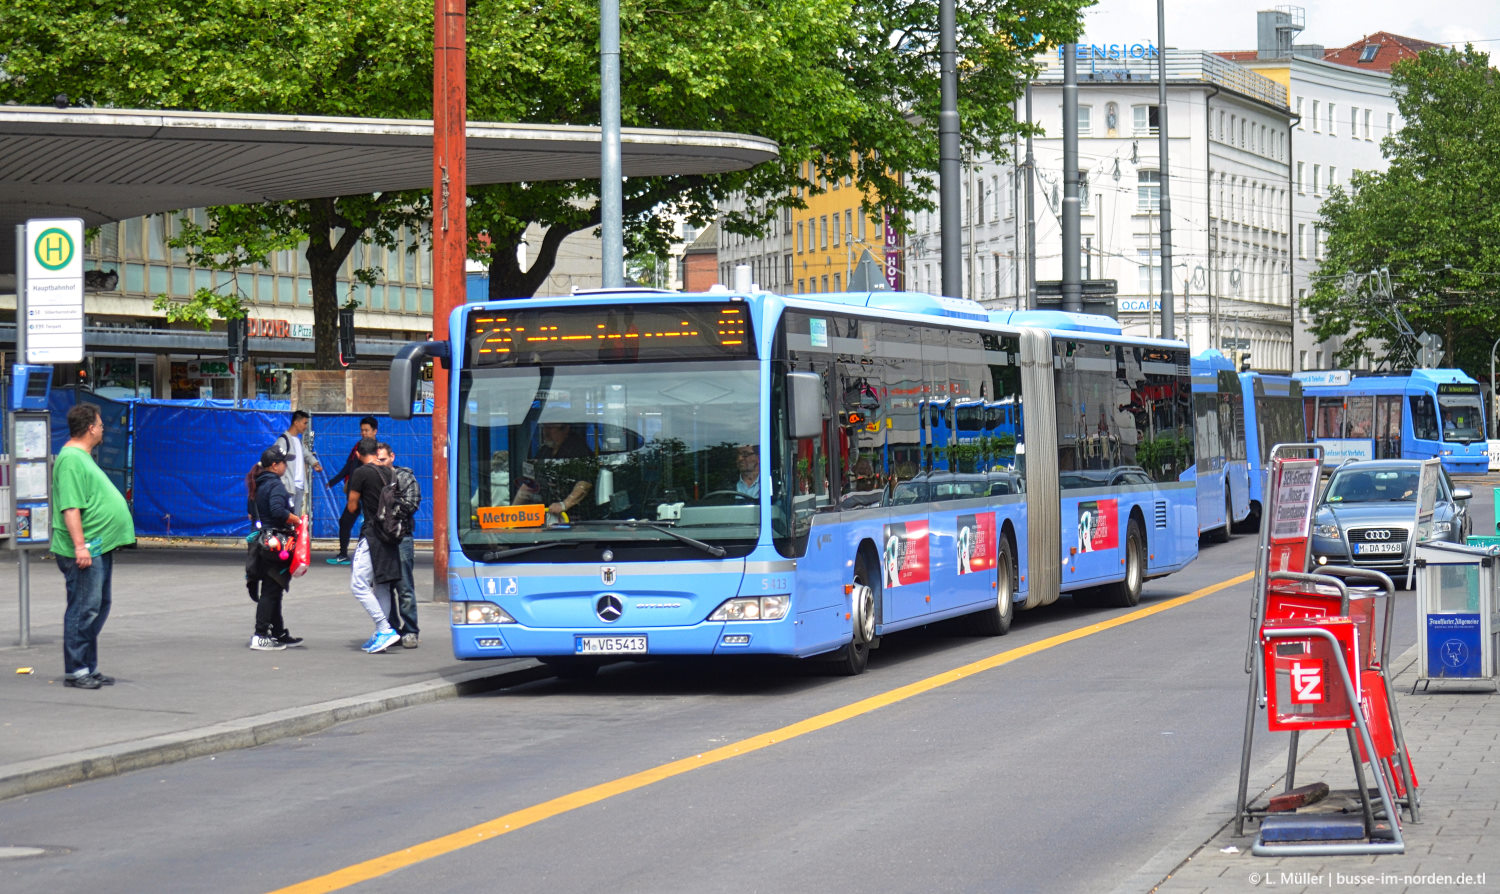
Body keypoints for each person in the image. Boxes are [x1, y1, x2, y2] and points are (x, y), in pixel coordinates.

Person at [51, 404, 135, 690]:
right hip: (86, 548)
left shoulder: (82, 457)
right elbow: (70, 507)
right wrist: (80, 547)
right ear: (90, 428)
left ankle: (88, 665)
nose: (102, 429)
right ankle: (76, 670)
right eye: (100, 425)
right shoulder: (72, 459)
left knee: (97, 606)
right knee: (84, 608)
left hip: (99, 544)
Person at [344, 437, 402, 653]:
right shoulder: (389, 472)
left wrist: (351, 493)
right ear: (377, 452)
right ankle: (382, 633)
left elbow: (351, 506)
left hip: (372, 533)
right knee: (382, 585)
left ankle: (384, 628)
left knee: (358, 584)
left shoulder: (360, 473)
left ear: (358, 455)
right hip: (390, 533)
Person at [247, 447, 304, 651]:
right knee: (271, 591)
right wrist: (297, 520)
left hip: (261, 543)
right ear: (274, 465)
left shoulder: (257, 485)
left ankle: (278, 632)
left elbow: (251, 514)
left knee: (274, 589)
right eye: (283, 462)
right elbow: (278, 511)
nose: (285, 466)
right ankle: (260, 635)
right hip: (276, 545)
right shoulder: (275, 486)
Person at [376, 442, 421, 648]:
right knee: (386, 587)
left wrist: (391, 508)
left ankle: (411, 630)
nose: (380, 464)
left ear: (392, 457)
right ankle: (392, 627)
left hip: (402, 537)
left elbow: (413, 503)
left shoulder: (404, 476)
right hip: (381, 539)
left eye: (383, 459)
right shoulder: (373, 478)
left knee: (404, 587)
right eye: (377, 460)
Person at [325, 415, 378, 564]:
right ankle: (343, 554)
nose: (364, 433)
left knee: (369, 525)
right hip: (355, 493)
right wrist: (334, 481)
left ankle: (369, 556)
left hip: (369, 495)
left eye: (367, 430)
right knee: (345, 522)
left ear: (375, 431)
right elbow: (349, 466)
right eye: (362, 430)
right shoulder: (357, 447)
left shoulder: (379, 450)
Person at [275, 409, 322, 516]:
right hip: (289, 487)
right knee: (287, 517)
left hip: (299, 487)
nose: (305, 426)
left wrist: (315, 463)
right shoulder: (283, 440)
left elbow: (306, 454)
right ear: (296, 422)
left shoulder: (298, 441)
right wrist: (283, 483)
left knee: (295, 519)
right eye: (304, 423)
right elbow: (276, 462)